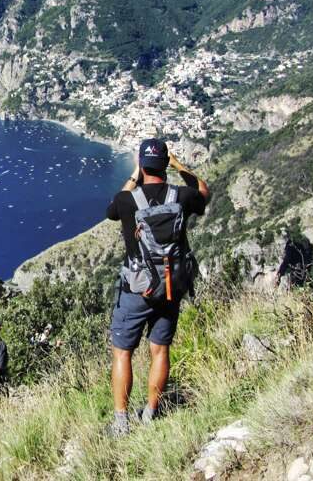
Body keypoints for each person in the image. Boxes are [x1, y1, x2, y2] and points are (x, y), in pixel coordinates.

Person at [104, 138, 210, 437]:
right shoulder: (182, 196)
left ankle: (121, 422)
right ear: (164, 165)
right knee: (160, 350)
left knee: (122, 353)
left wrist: (134, 174)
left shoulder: (127, 200)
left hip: (137, 290)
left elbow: (111, 210)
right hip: (170, 288)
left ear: (142, 164)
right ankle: (151, 412)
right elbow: (204, 192)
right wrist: (179, 166)